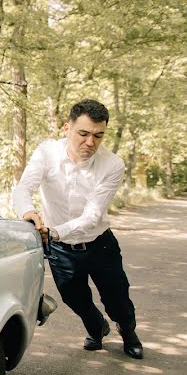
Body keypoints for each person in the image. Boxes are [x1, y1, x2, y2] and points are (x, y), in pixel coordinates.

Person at [12, 99, 143, 359]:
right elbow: (23, 189)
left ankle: (128, 332)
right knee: (76, 299)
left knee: (118, 301)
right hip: (61, 251)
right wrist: (28, 212)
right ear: (67, 128)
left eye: (98, 136)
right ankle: (97, 328)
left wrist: (54, 231)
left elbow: (92, 215)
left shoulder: (112, 164)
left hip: (100, 245)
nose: (90, 142)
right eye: (83, 133)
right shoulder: (47, 152)